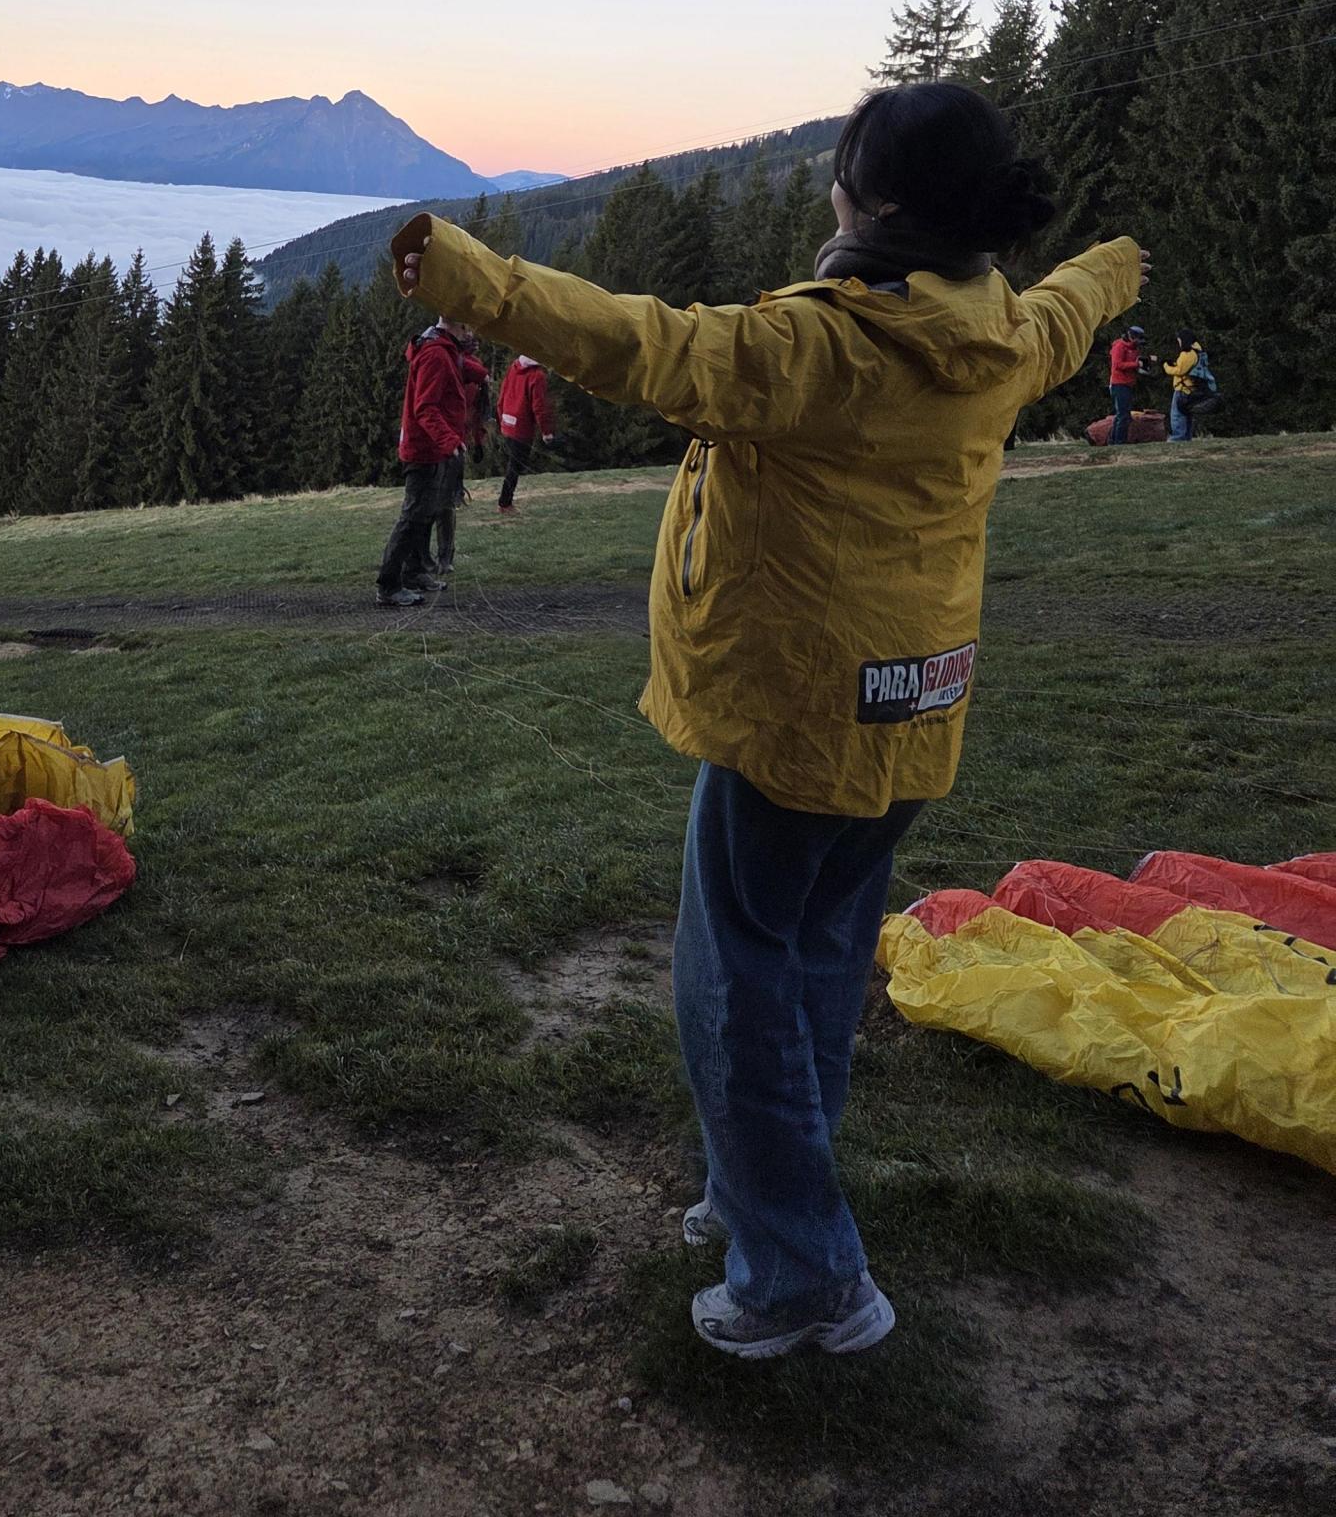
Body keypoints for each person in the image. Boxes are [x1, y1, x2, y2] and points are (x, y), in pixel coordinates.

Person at [392, 80, 1144, 1360]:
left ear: (873, 205)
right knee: (817, 965)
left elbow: (643, 343)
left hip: (797, 713)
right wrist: (1117, 264)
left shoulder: (827, 348)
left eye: (841, 172)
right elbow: (1072, 307)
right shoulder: (1002, 331)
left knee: (733, 983)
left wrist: (470, 276)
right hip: (913, 705)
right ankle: (766, 1193)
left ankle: (802, 1272)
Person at [375, 314, 471, 607]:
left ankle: (414, 573)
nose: (470, 332)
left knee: (424, 515)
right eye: (467, 325)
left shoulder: (442, 350)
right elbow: (425, 408)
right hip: (423, 448)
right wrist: (449, 441)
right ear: (456, 325)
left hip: (432, 448)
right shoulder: (435, 355)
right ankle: (388, 585)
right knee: (412, 518)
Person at [431, 330, 492, 579]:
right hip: (445, 439)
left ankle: (443, 557)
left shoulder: (471, 370)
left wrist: (476, 441)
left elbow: (476, 412)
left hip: (455, 441)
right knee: (439, 503)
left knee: (443, 502)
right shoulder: (450, 362)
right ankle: (439, 558)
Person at [496, 354, 556, 512]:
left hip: (508, 421)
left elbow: (502, 394)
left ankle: (505, 502)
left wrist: (501, 418)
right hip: (522, 426)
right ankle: (505, 503)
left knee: (513, 465)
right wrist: (546, 431)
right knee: (515, 467)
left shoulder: (514, 367)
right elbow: (539, 406)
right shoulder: (537, 375)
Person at [1106, 323, 1154, 445]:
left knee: (1122, 414)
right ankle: (1119, 441)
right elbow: (1117, 365)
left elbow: (1134, 362)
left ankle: (1113, 441)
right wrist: (1136, 364)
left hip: (1128, 383)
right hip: (1119, 383)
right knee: (1123, 414)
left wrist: (1146, 362)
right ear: (1131, 336)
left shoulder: (1134, 348)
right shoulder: (1119, 347)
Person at [1165, 333, 1219, 440]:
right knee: (1187, 415)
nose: (1179, 343)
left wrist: (1165, 366)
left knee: (1177, 416)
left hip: (1183, 389)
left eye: (1179, 340)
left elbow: (1180, 371)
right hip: (1192, 389)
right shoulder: (1198, 352)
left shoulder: (1188, 353)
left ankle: (1178, 438)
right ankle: (1186, 438)